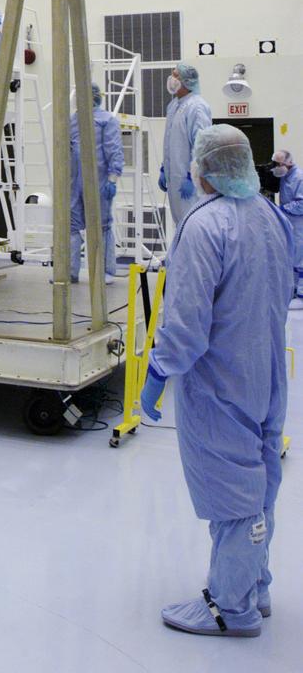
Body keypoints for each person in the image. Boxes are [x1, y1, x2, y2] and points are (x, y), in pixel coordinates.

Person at [140, 125, 293, 638]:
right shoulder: (271, 216)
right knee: (260, 481)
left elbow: (185, 326)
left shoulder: (204, 227)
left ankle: (232, 606)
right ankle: (256, 584)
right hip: (266, 375)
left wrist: (157, 371)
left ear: (201, 168)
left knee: (233, 494)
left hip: (220, 382)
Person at [69, 83, 124, 283]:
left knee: (101, 225)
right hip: (75, 181)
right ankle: (70, 271)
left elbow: (114, 150)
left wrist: (112, 178)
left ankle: (106, 270)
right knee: (71, 225)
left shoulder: (107, 121)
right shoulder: (73, 120)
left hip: (99, 181)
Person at [159, 62, 212, 224]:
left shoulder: (197, 107)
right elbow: (170, 141)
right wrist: (164, 168)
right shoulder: (173, 105)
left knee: (192, 226)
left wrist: (192, 176)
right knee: (180, 225)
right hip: (174, 178)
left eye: (176, 75)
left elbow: (202, 146)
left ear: (187, 81)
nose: (171, 78)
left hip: (190, 183)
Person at [271, 149, 303, 309]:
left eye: (278, 164)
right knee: (292, 258)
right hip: (290, 223)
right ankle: (295, 291)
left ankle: (302, 294)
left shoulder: (299, 177)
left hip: (299, 225)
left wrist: (281, 209)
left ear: (288, 163)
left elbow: (301, 204)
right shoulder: (285, 177)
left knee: (300, 260)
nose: (276, 167)